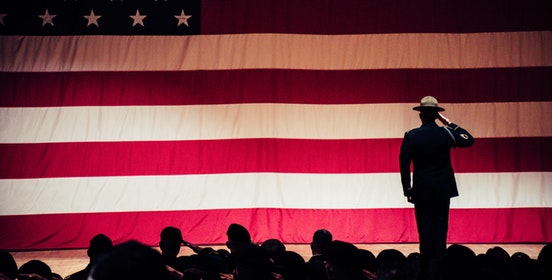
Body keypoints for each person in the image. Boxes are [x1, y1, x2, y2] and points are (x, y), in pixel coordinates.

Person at [399, 96, 474, 279]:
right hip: (442, 188)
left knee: (424, 226)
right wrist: (448, 122)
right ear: (436, 115)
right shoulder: (446, 133)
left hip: (422, 188)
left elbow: (403, 163)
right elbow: (468, 139)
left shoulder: (412, 135)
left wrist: (407, 189)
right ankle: (439, 264)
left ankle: (426, 264)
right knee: (440, 225)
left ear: (421, 116)